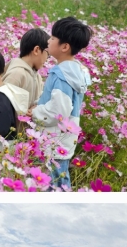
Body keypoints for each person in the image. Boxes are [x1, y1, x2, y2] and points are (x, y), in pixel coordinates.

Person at [30, 17, 93, 189]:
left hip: (53, 139)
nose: (48, 41)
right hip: (63, 138)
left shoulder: (61, 75)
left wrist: (35, 113)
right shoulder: (76, 71)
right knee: (60, 178)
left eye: (52, 38)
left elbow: (58, 111)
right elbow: (57, 101)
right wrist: (39, 104)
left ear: (64, 47)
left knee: (53, 184)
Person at [2, 28, 50, 111]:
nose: (47, 59)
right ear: (36, 50)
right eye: (48, 54)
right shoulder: (17, 74)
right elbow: (2, 104)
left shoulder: (37, 76)